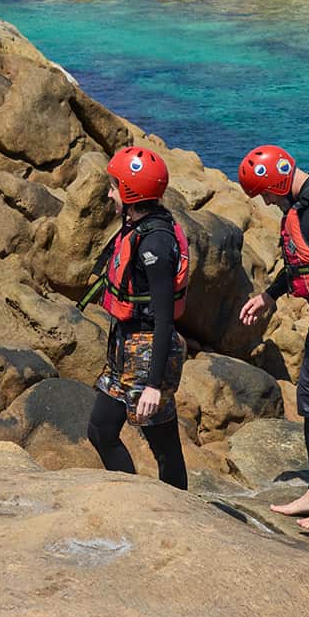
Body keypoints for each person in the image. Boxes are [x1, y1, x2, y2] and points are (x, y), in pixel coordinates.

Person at [85, 146, 189, 490]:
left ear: (131, 193)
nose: (110, 193)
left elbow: (164, 320)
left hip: (147, 350)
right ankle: (130, 498)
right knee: (100, 429)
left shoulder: (156, 244)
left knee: (164, 448)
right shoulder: (136, 225)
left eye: (115, 187)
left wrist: (154, 386)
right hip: (123, 343)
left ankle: (179, 514)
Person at [237, 144, 309, 531]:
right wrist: (268, 295)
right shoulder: (300, 208)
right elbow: (302, 264)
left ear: (279, 181)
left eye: (266, 193)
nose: (266, 202)